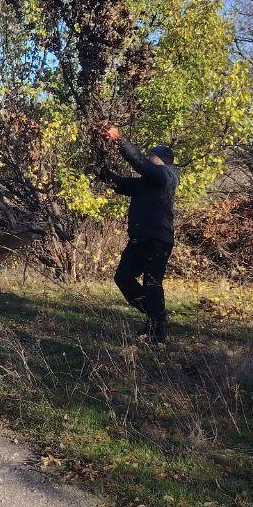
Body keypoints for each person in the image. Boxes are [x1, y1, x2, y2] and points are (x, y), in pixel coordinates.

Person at [97, 124, 178, 344]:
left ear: (160, 159)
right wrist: (100, 167)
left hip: (157, 240)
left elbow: (139, 163)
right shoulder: (147, 183)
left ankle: (157, 331)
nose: (148, 158)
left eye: (151, 155)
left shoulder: (167, 176)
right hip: (139, 240)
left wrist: (119, 141)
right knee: (122, 278)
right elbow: (121, 184)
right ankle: (155, 316)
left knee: (152, 283)